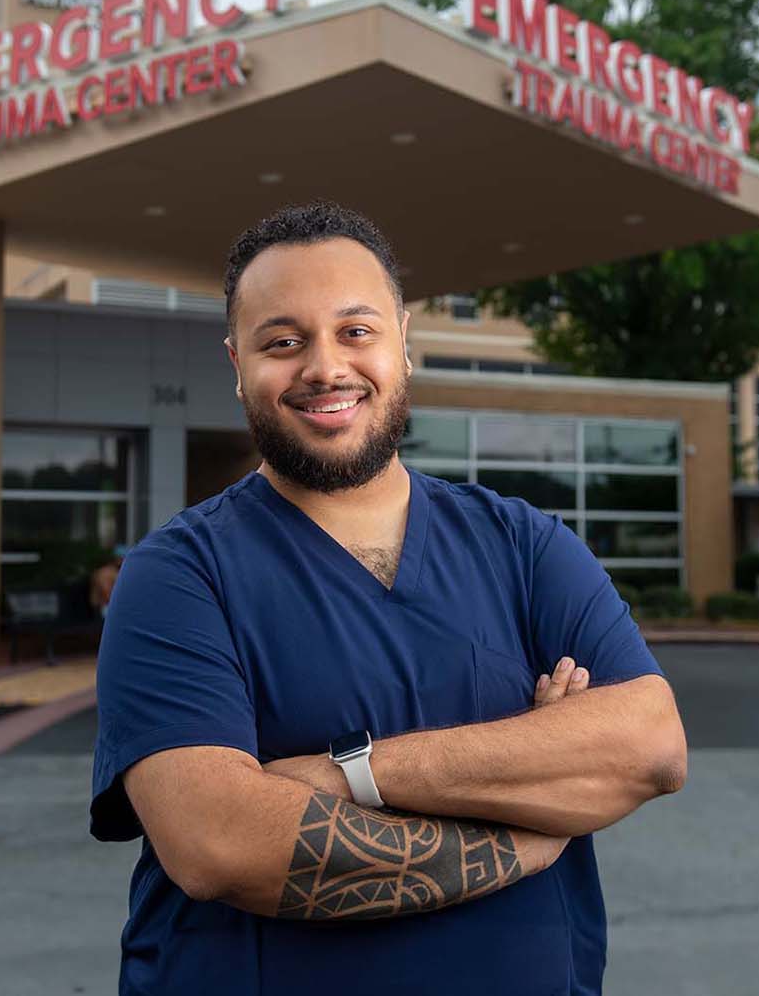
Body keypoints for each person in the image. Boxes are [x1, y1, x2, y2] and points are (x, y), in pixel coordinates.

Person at [91, 202, 687, 995]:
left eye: (356, 331)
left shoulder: (523, 544)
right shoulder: (177, 574)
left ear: (404, 342)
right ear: (236, 363)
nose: (325, 367)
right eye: (282, 341)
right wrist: (525, 830)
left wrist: (344, 776)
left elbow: (649, 744)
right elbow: (218, 840)